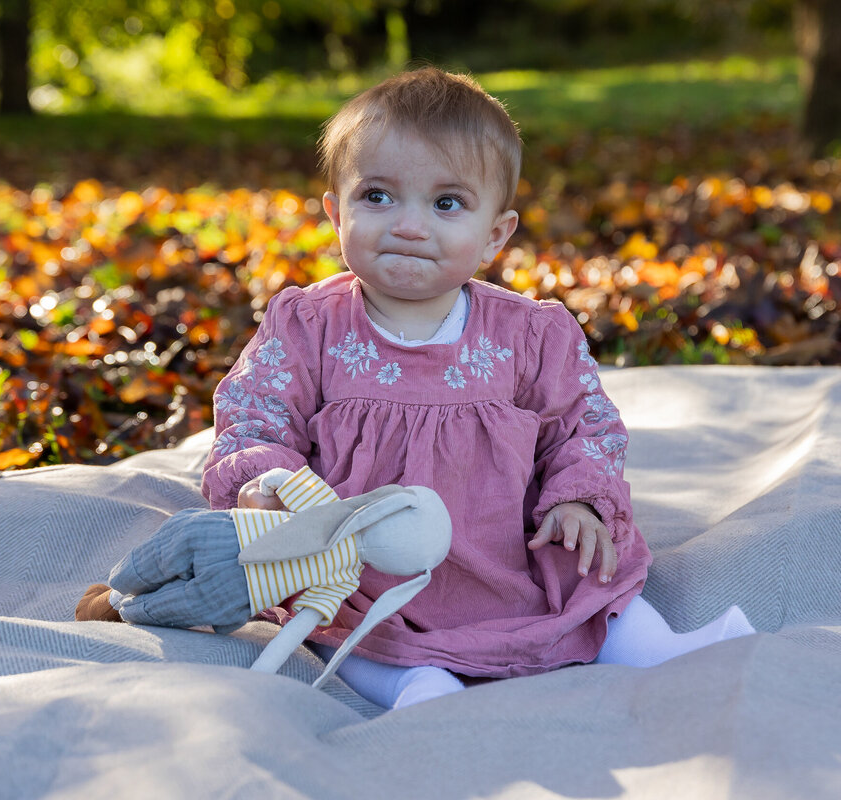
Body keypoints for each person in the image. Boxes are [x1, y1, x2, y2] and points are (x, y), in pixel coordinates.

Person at [200, 66, 754, 709]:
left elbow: (585, 425)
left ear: (495, 234)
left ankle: (647, 648)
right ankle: (413, 683)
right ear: (335, 211)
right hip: (364, 559)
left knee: (587, 570)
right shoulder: (309, 326)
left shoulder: (529, 335)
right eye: (377, 196)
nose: (409, 224)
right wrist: (268, 483)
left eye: (446, 203)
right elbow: (254, 415)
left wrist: (578, 500)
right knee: (332, 617)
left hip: (505, 546)